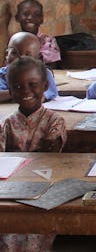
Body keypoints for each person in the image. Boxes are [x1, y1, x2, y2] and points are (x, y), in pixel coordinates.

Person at [0, 56, 66, 251]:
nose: (26, 91)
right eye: (18, 87)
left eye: (32, 84)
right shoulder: (8, 123)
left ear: (45, 86)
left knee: (36, 238)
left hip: (43, 190)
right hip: (12, 190)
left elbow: (50, 153)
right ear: (10, 91)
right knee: (8, 234)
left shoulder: (54, 120)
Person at [0, 32, 58, 103]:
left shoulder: (43, 74)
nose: (21, 59)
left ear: (38, 59)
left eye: (28, 55)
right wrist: (22, 92)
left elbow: (47, 94)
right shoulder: (2, 75)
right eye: (14, 53)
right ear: (6, 54)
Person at [14, 0, 61, 67]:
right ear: (17, 17)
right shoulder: (13, 40)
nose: (30, 18)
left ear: (42, 19)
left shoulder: (47, 41)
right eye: (26, 14)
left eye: (36, 15)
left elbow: (51, 67)